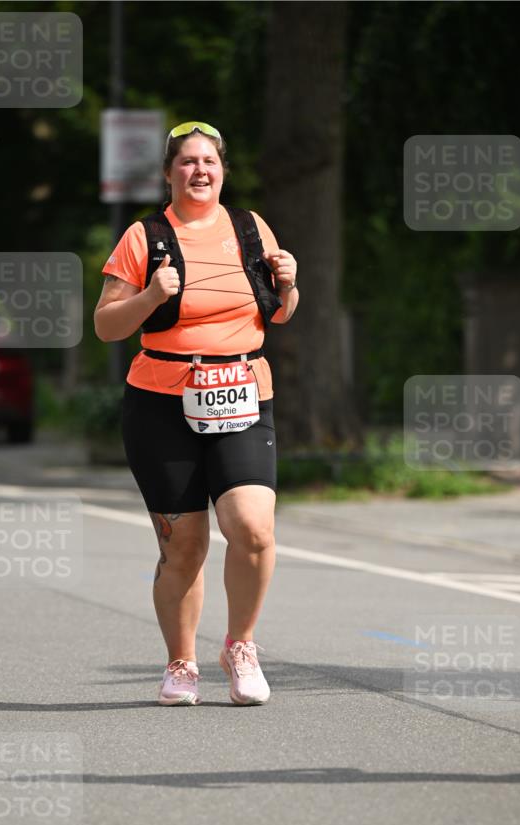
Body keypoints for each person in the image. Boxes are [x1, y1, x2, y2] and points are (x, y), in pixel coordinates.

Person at [94, 121, 298, 707]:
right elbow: (107, 325)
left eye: (209, 161)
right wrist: (152, 295)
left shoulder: (250, 228)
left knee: (253, 530)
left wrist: (290, 285)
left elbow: (278, 314)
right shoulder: (144, 236)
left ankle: (241, 645)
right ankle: (181, 663)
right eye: (186, 162)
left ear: (223, 171)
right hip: (161, 402)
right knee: (184, 546)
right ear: (168, 173)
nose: (199, 171)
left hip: (242, 392)